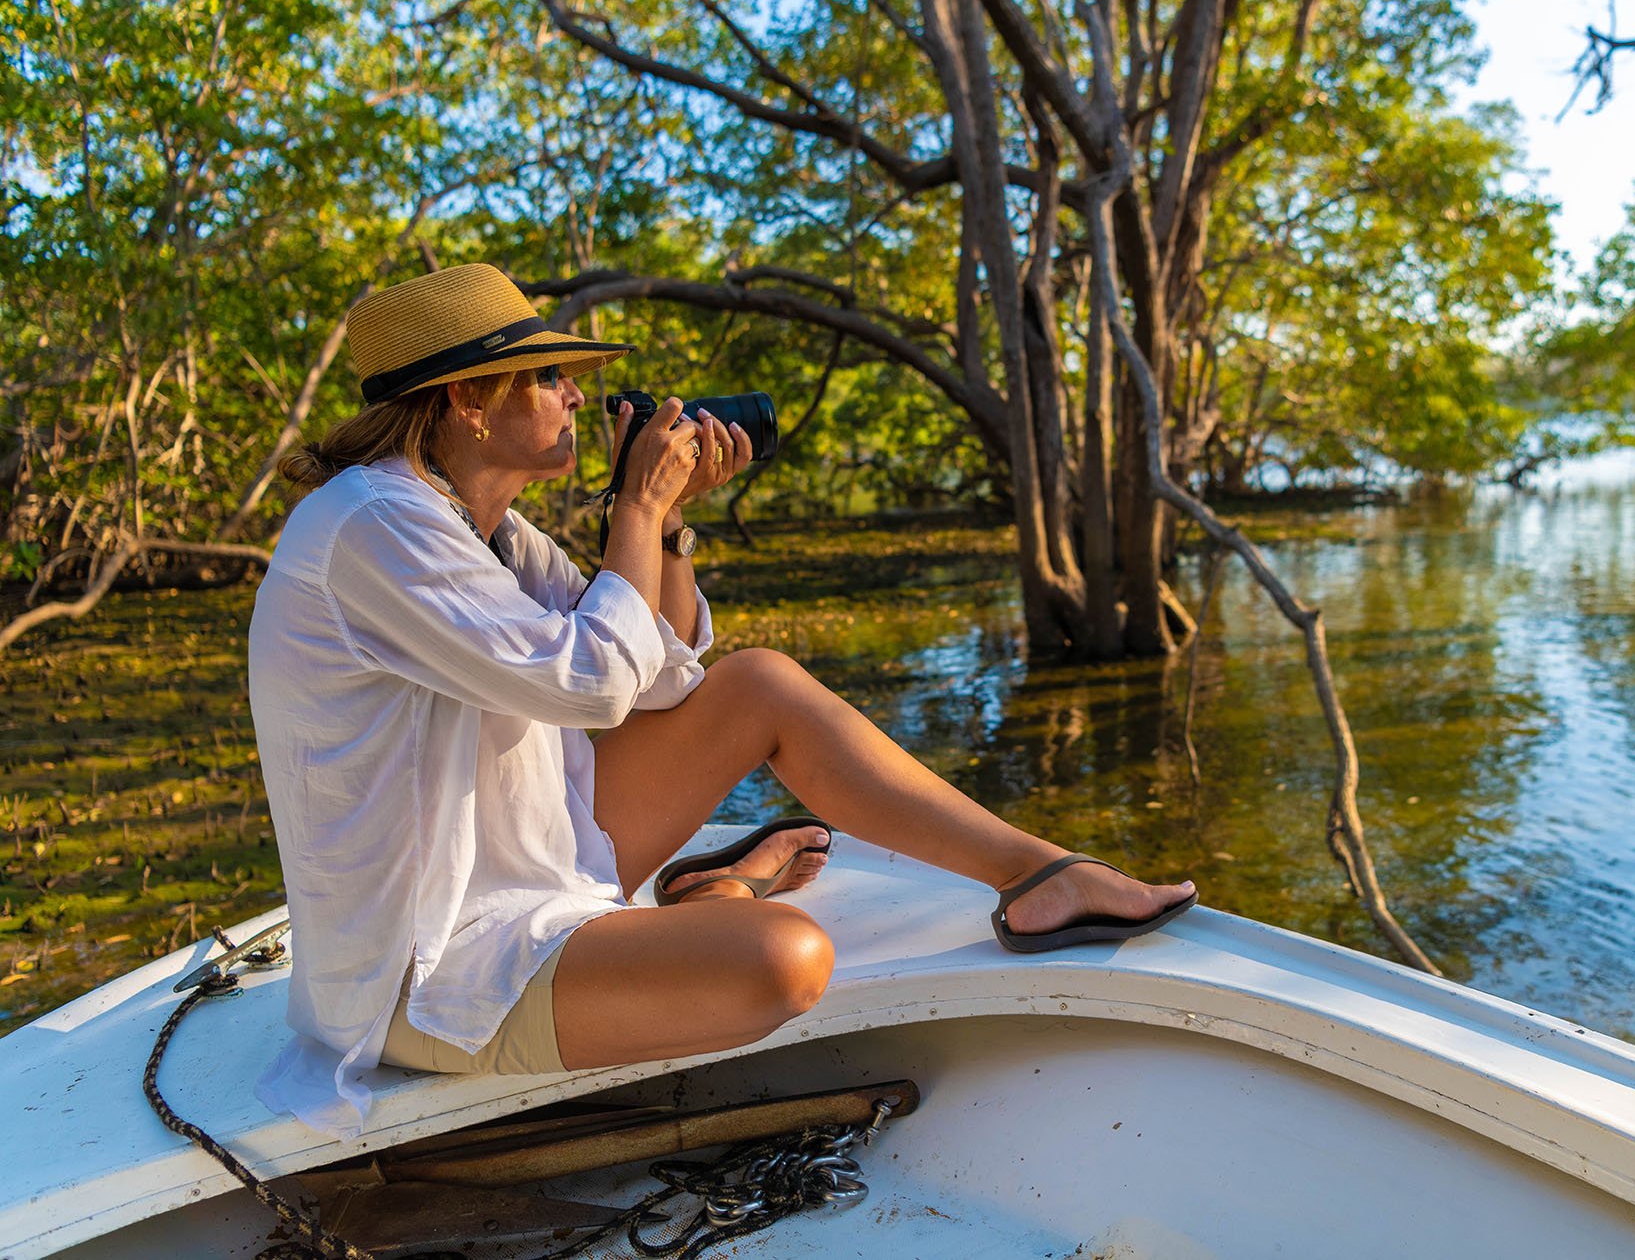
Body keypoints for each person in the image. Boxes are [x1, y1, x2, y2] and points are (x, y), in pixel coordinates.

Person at [247, 263, 1196, 1137]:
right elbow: (589, 679)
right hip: (432, 971)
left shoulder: (493, 532)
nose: (578, 393)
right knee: (786, 961)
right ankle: (717, 896)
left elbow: (658, 679)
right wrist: (633, 511)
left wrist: (669, 525)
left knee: (758, 685)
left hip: (535, 874)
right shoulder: (373, 524)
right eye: (547, 376)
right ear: (466, 398)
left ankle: (1041, 877)